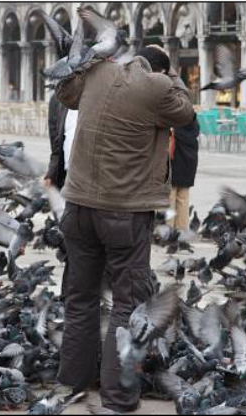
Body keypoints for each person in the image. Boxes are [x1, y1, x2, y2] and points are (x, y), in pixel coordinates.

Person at [53, 46, 194, 412]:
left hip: (78, 207)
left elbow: (65, 93)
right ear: (161, 69)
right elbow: (185, 111)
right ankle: (118, 397)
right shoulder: (158, 85)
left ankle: (73, 382)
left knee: (80, 299)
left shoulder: (99, 74)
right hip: (124, 214)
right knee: (127, 304)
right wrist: (173, 75)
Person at [167, 115, 200, 231]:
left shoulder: (172, 123)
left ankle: (168, 230)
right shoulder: (192, 120)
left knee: (170, 198)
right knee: (183, 199)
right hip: (189, 165)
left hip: (174, 164)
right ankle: (181, 231)